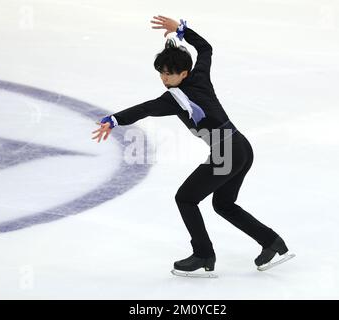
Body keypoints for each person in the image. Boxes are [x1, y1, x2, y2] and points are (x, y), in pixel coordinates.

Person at [92, 15, 295, 277]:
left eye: (169, 73)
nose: (164, 78)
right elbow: (149, 106)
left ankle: (203, 255)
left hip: (227, 152)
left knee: (185, 198)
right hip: (240, 146)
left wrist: (182, 31)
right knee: (223, 204)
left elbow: (147, 107)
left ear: (183, 73)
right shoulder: (192, 82)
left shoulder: (178, 96)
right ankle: (272, 243)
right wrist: (116, 119)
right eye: (162, 73)